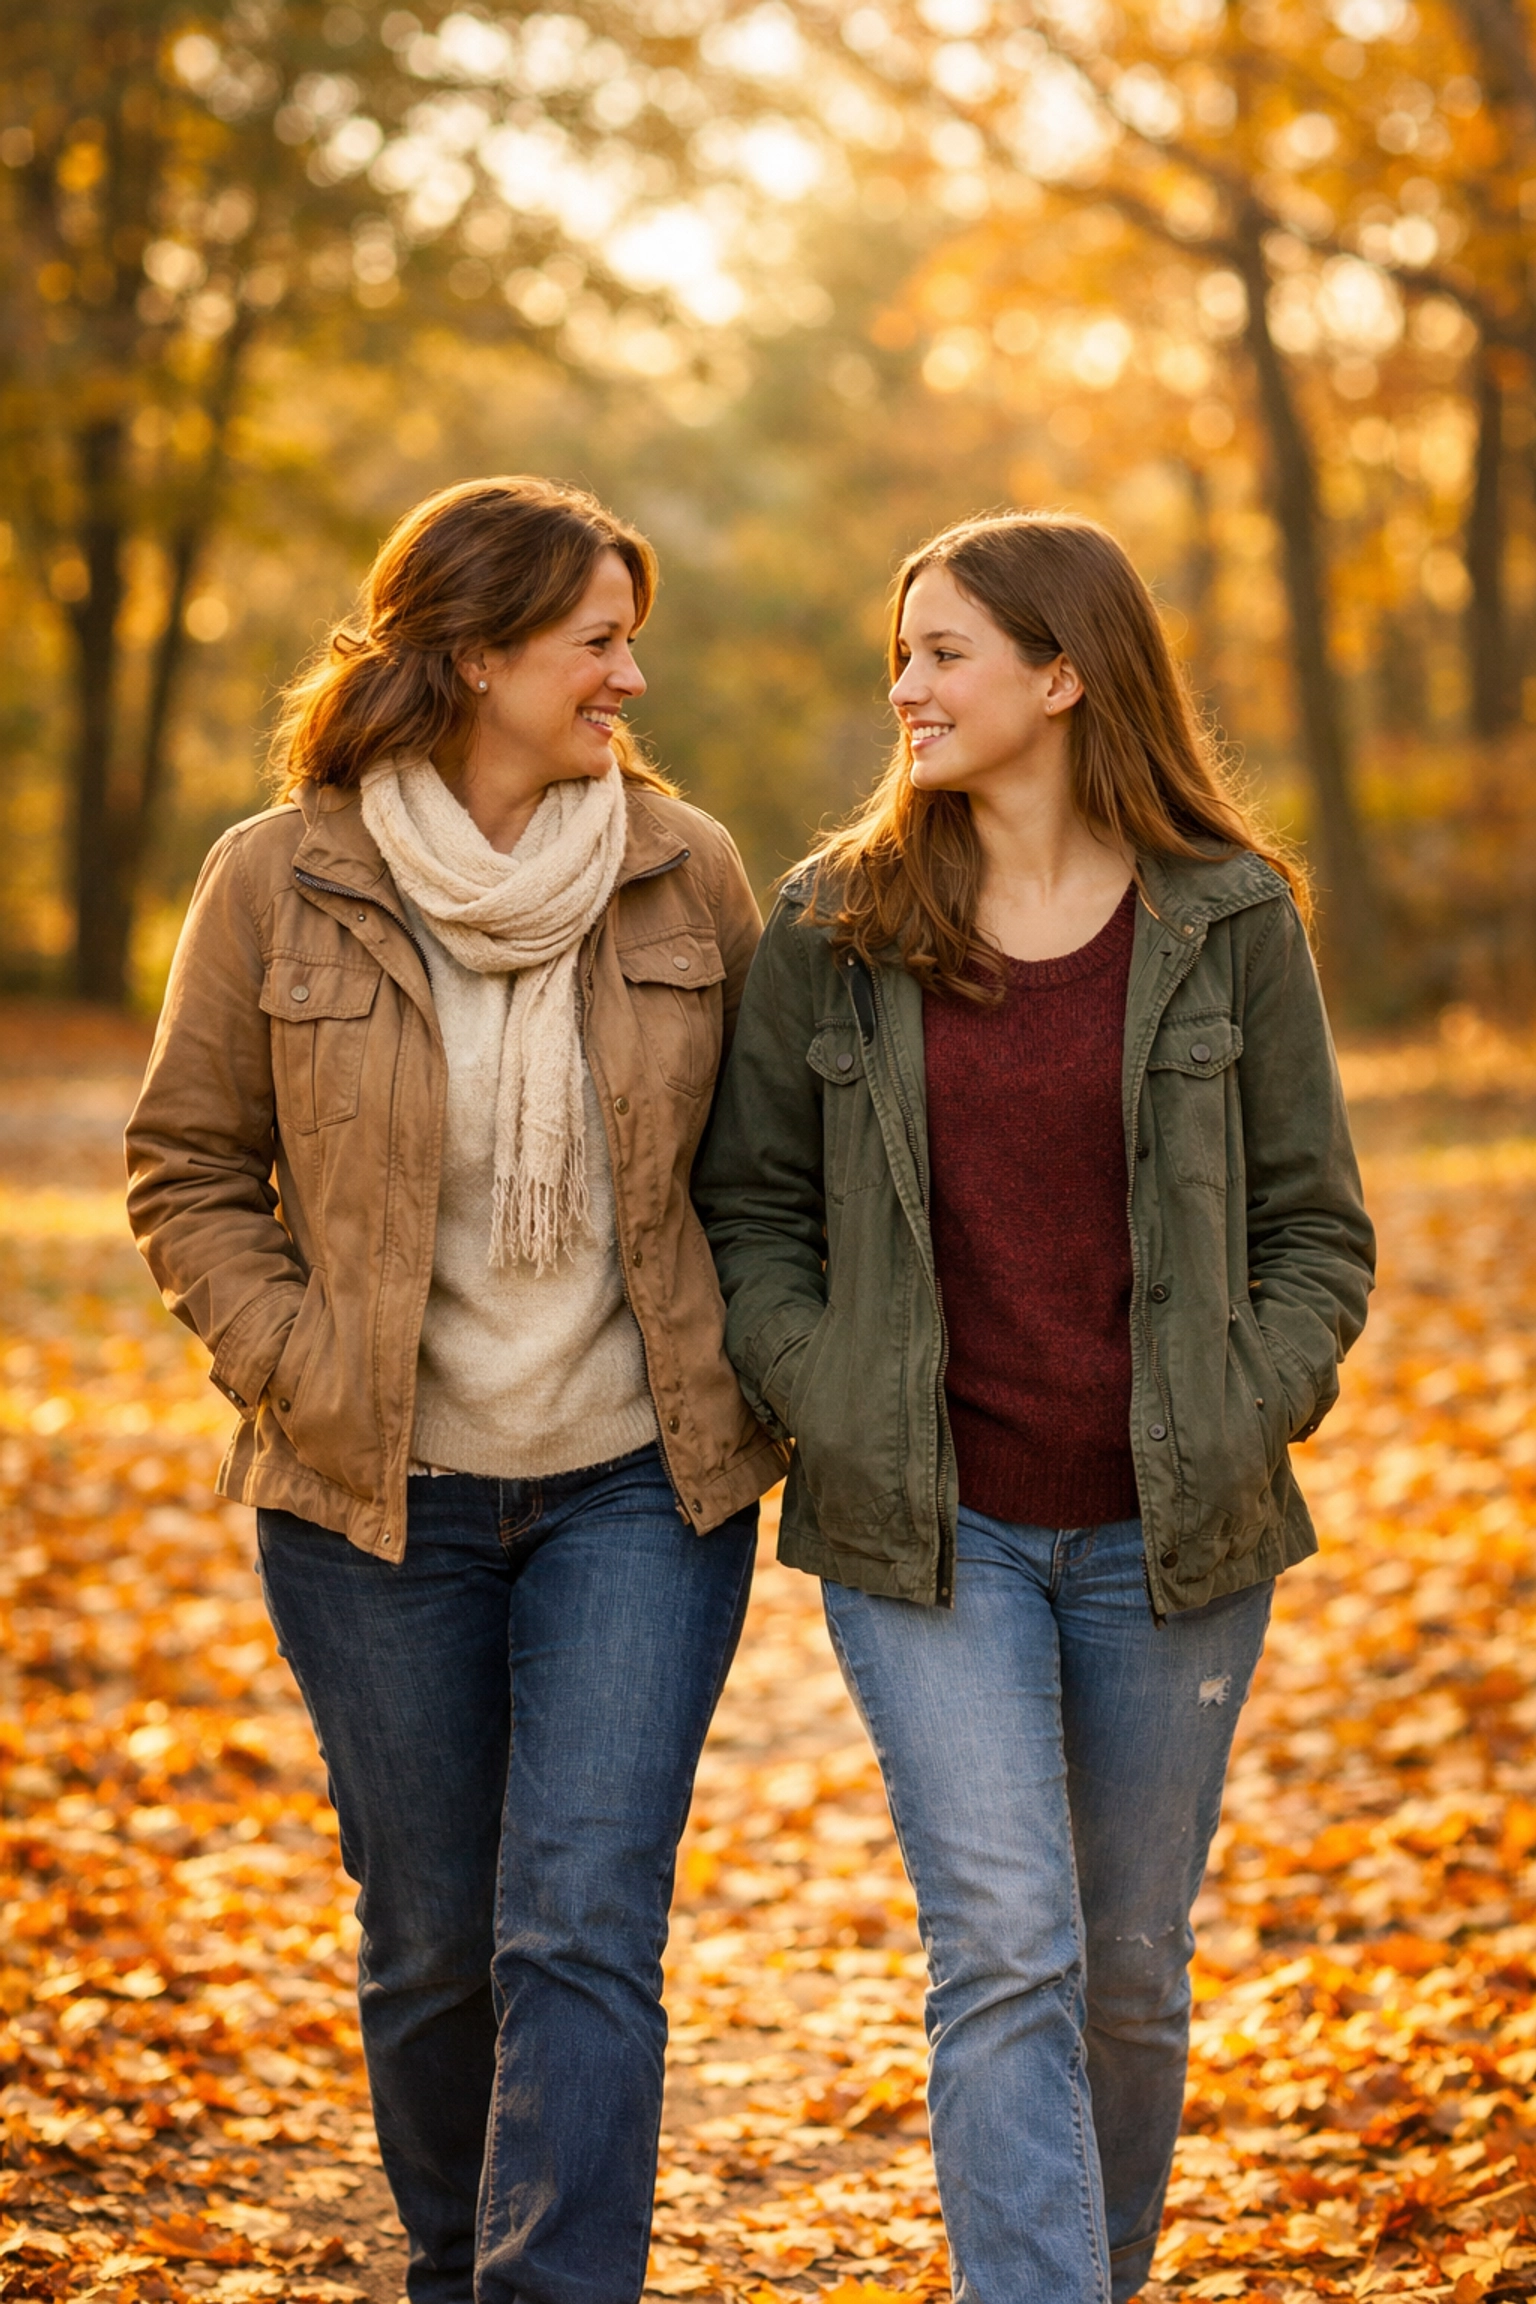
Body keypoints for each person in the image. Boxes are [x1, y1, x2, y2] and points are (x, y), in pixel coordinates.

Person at [697, 511, 1375, 2304]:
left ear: (1062, 675)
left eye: (943, 652)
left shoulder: (1230, 922)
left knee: (1131, 1964)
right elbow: (752, 1209)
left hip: (1181, 1530)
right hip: (931, 1531)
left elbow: (1318, 1225)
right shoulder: (834, 924)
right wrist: (823, 1393)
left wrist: (1250, 1398)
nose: (904, 687)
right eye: (900, 652)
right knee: (1005, 1948)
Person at [126, 476, 784, 2304]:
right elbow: (187, 1165)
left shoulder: (685, 868)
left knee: (578, 1928)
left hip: (638, 1482)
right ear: (478, 651)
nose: (629, 679)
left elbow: (772, 1164)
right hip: (369, 1497)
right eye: (596, 640)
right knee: (430, 1944)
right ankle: (455, 2270)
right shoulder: (279, 878)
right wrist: (294, 1357)